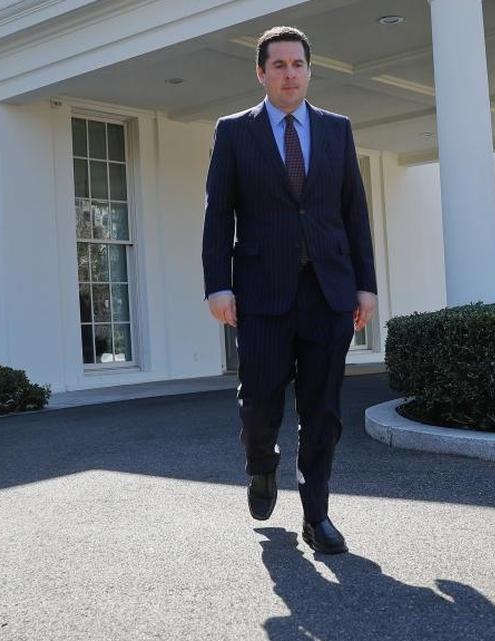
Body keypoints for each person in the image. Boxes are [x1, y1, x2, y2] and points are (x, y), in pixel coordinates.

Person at [202, 26, 376, 555]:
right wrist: (217, 286)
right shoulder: (234, 133)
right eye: (277, 65)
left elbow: (354, 213)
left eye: (297, 64)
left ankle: (316, 514)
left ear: (309, 69)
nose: (289, 74)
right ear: (261, 72)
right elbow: (218, 215)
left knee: (322, 410)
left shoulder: (336, 129)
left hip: (328, 292)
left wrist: (365, 286)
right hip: (261, 294)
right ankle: (260, 466)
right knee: (259, 403)